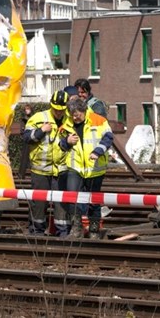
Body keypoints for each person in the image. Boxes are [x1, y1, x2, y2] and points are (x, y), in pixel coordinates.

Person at [59, 94, 115, 238]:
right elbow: (60, 145)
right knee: (73, 198)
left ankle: (94, 230)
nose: (75, 118)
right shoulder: (67, 122)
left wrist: (98, 151)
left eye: (77, 115)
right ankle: (76, 228)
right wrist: (67, 141)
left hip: (94, 168)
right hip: (75, 167)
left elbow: (108, 138)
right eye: (72, 115)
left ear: (84, 111)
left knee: (94, 201)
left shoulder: (99, 120)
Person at [23, 88, 69, 236]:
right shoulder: (38, 118)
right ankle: (37, 232)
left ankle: (62, 233)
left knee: (61, 204)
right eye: (56, 109)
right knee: (39, 204)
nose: (58, 113)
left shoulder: (69, 121)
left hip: (61, 170)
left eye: (61, 110)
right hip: (40, 171)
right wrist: (41, 130)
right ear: (51, 105)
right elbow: (26, 138)